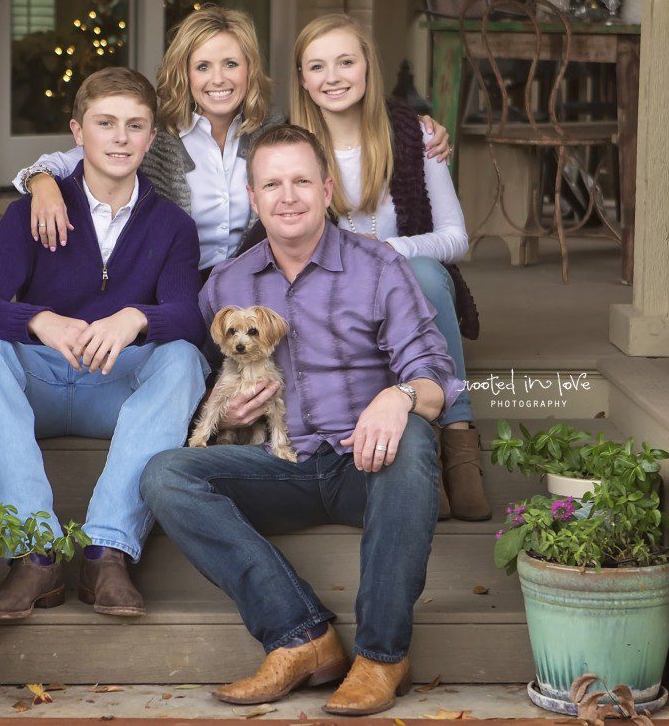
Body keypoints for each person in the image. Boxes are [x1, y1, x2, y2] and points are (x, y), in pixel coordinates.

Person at [140, 124, 461, 717]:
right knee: (167, 475)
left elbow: (436, 380)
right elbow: (198, 374)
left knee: (414, 434)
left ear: (327, 189)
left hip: (367, 467)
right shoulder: (227, 285)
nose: (287, 197)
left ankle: (382, 655)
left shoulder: (379, 268)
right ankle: (301, 636)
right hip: (278, 465)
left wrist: (399, 396)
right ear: (253, 197)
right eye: (272, 184)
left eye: (301, 181)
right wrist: (226, 409)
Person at [0, 67, 208, 620]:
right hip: (39, 383)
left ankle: (107, 552)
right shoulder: (32, 212)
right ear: (78, 132)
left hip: (114, 390)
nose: (120, 137)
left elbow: (190, 316)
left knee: (183, 359)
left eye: (135, 126)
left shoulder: (172, 226)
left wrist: (135, 317)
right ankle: (34, 555)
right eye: (105, 123)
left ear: (151, 138)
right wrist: (39, 319)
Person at [13, 6, 451, 275]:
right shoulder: (158, 136)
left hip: (256, 288)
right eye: (202, 67)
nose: (218, 79)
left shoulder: (272, 131)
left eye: (230, 64)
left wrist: (418, 127)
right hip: (177, 285)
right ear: (184, 73)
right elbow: (82, 154)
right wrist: (41, 180)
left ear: (249, 69)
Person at [292, 13, 489, 521]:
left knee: (422, 277)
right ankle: (419, 449)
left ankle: (460, 440)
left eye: (345, 61)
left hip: (406, 281)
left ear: (367, 68)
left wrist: (387, 251)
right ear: (302, 79)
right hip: (334, 290)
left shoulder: (414, 134)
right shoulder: (291, 147)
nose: (332, 76)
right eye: (317, 66)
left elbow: (455, 239)